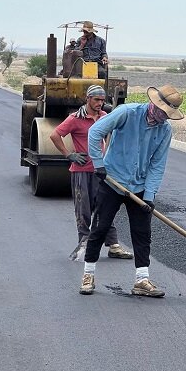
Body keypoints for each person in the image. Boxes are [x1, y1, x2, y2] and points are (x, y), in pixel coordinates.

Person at [79, 84, 184, 297]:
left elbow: (157, 164)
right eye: (163, 112)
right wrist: (98, 164)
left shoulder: (164, 130)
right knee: (100, 228)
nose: (164, 117)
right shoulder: (127, 113)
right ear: (154, 105)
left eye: (168, 115)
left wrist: (150, 195)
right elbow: (95, 132)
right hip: (112, 181)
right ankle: (88, 274)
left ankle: (141, 280)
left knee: (142, 232)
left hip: (140, 186)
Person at [50, 84, 133, 261]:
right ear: (88, 99)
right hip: (81, 171)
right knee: (84, 210)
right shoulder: (75, 119)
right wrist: (68, 155)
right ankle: (84, 244)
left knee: (106, 207)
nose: (100, 104)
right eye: (96, 100)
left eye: (103, 100)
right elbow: (55, 135)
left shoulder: (104, 117)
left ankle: (114, 245)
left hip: (102, 171)